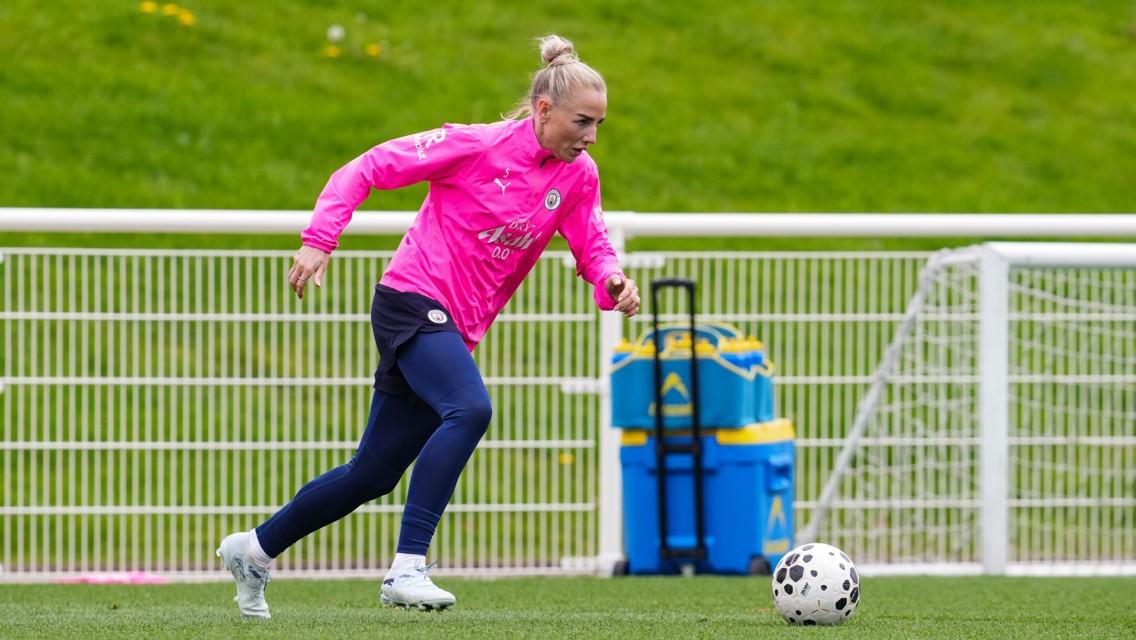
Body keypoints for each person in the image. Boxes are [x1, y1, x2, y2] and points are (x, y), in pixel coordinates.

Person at [216, 34, 640, 618]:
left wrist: (613, 280)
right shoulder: (473, 145)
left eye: (599, 124)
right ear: (544, 111)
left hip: (455, 329)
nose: (592, 136)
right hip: (411, 299)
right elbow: (366, 167)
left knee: (373, 473)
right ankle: (408, 567)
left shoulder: (579, 174)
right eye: (582, 121)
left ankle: (255, 549)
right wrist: (319, 240)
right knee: (470, 408)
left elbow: (592, 242)